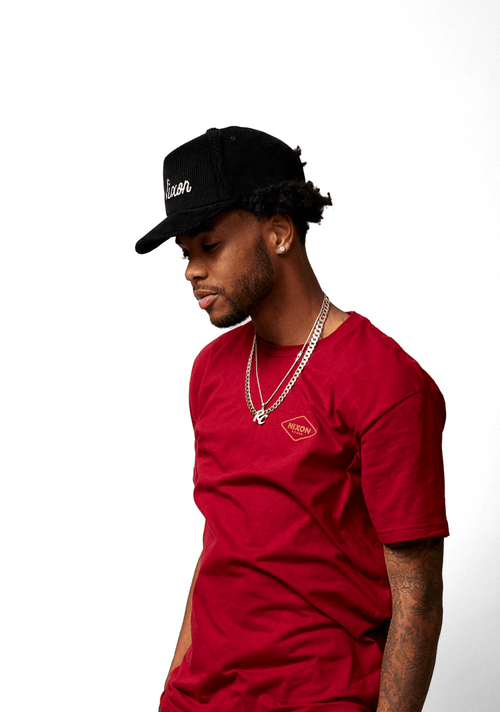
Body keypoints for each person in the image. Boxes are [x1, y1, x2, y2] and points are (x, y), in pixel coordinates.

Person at [135, 126, 449, 712]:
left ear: (279, 232)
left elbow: (418, 595)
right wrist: (171, 690)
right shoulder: (210, 372)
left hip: (319, 697)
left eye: (209, 245)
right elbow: (220, 549)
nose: (191, 271)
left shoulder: (387, 383)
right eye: (185, 253)